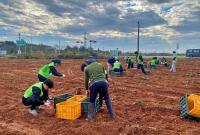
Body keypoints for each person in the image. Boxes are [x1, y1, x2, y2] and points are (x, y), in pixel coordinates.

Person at [84, 56, 115, 122]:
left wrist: (86, 90)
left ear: (88, 62)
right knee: (107, 99)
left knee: (92, 101)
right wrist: (106, 82)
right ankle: (112, 115)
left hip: (95, 84)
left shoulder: (86, 68)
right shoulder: (100, 65)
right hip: (104, 83)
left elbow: (86, 80)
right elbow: (105, 74)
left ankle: (90, 118)